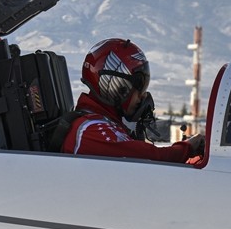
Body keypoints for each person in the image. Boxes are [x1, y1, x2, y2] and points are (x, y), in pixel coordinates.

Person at [59, 38, 203, 163]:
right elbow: (151, 158)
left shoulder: (105, 124)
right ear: (117, 86)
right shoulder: (90, 130)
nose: (142, 96)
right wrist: (190, 147)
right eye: (139, 85)